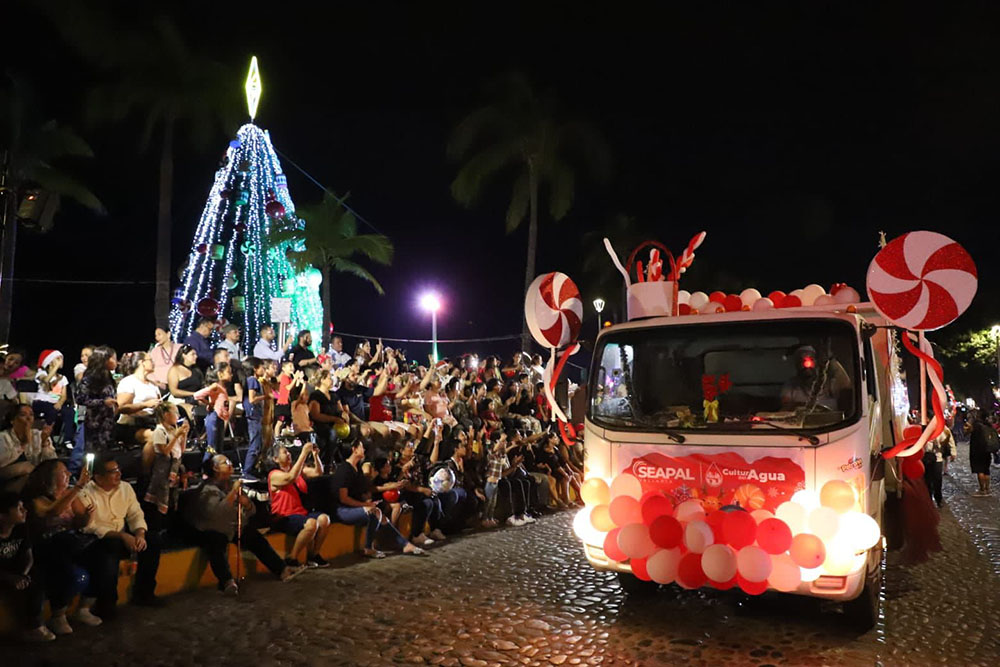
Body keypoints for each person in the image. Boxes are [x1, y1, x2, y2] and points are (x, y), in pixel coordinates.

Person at [185, 455, 304, 594]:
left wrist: (247, 504)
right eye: (225, 462)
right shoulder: (207, 489)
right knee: (216, 543)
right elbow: (218, 513)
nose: (230, 464)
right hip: (211, 528)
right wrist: (233, 493)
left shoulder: (231, 484)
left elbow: (251, 511)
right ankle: (226, 581)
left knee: (254, 537)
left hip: (231, 527)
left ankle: (282, 569)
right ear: (215, 468)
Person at [78, 454, 163, 613]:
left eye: (118, 469)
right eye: (113, 471)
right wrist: (122, 536)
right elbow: (90, 527)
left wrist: (140, 534)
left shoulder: (125, 488)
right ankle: (107, 603)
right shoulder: (85, 493)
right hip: (99, 540)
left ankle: (144, 593)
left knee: (153, 540)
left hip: (123, 535)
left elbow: (135, 514)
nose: (119, 474)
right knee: (109, 549)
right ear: (99, 477)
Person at [22, 460, 94, 633]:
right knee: (62, 545)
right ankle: (58, 614)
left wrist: (86, 516)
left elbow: (79, 523)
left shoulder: (70, 495)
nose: (68, 474)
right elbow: (53, 511)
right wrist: (78, 487)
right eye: (63, 472)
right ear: (50, 477)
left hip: (66, 549)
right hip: (45, 548)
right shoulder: (37, 499)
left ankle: (81, 608)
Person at [329, 440, 425, 558]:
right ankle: (369, 547)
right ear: (354, 450)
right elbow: (343, 499)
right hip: (342, 510)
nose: (364, 449)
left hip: (354, 507)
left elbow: (360, 491)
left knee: (380, 516)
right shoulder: (344, 470)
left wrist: (367, 501)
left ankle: (405, 545)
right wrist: (364, 505)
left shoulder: (356, 467)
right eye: (361, 447)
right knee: (375, 512)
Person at [0, 491, 54, 641]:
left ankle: (35, 626)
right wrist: (11, 578)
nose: (25, 511)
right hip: (4, 573)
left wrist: (23, 575)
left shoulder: (21, 528)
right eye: (19, 508)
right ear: (2, 515)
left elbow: (28, 556)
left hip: (16, 571)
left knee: (37, 578)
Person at [267, 443, 331, 567]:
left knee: (324, 519)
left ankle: (314, 555)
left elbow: (318, 472)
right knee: (311, 523)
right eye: (285, 452)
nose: (288, 454)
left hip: (300, 513)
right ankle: (292, 558)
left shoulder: (297, 469)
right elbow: (290, 478)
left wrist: (315, 456)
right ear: (275, 459)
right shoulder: (274, 474)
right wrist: (303, 453)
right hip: (284, 516)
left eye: (288, 451)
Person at [143, 403, 187, 525]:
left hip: (174, 467)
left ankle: (169, 524)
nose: (178, 416)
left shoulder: (173, 429)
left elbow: (181, 450)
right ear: (166, 415)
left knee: (172, 498)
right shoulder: (159, 431)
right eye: (175, 413)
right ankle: (158, 524)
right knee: (161, 496)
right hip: (163, 469)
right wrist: (176, 436)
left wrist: (184, 435)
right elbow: (165, 451)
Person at [0, 405, 57, 493]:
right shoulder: (4, 437)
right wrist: (22, 445)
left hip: (36, 478)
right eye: (23, 415)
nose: (28, 418)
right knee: (26, 468)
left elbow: (52, 464)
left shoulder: (39, 435)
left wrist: (44, 443)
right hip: (8, 479)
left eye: (31, 415)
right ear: (12, 420)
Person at [76, 346, 119, 456]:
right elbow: (80, 399)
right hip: (94, 422)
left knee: (106, 455)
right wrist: (103, 402)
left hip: (108, 422)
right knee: (93, 454)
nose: (116, 361)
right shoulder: (90, 377)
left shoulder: (109, 377)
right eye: (114, 358)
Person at [115, 351, 161, 450]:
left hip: (150, 422)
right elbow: (121, 408)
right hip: (131, 425)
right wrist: (145, 405)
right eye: (150, 360)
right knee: (157, 438)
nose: (153, 363)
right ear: (142, 362)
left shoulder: (153, 385)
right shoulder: (129, 382)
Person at [32, 350, 74, 444]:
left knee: (70, 411)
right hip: (41, 402)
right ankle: (47, 436)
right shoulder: (41, 373)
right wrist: (55, 367)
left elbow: (64, 395)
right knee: (52, 410)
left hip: (55, 403)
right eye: (58, 358)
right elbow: (46, 380)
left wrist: (60, 403)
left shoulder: (63, 378)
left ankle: (67, 439)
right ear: (50, 361)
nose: (61, 361)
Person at [309, 370, 349, 463]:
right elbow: (316, 415)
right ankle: (328, 461)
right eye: (329, 378)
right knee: (332, 433)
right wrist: (334, 419)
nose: (332, 380)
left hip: (337, 424)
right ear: (322, 380)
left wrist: (344, 415)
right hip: (321, 426)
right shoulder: (316, 396)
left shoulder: (334, 395)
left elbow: (340, 410)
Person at [242, 357, 267, 479]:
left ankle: (252, 469)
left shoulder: (254, 380)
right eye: (262, 367)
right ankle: (247, 471)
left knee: (258, 443)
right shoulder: (252, 380)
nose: (264, 369)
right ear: (254, 369)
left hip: (256, 415)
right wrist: (265, 396)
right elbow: (252, 399)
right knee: (255, 444)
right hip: (253, 415)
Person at [167, 345, 204, 420]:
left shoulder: (196, 370)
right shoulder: (175, 370)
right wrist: (193, 394)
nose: (196, 356)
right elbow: (174, 391)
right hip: (179, 400)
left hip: (195, 400)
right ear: (184, 355)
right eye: (193, 354)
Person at [923, 425, 954, 508]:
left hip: (937, 457)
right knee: (927, 480)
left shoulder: (942, 429)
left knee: (937, 480)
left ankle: (938, 499)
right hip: (926, 457)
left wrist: (953, 452)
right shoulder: (924, 429)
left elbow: (947, 441)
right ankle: (929, 499)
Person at [966, 411, 995, 496]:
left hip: (977, 450)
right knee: (986, 470)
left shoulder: (976, 425)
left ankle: (982, 490)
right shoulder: (988, 425)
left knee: (980, 470)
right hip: (987, 450)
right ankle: (987, 489)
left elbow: (966, 432)